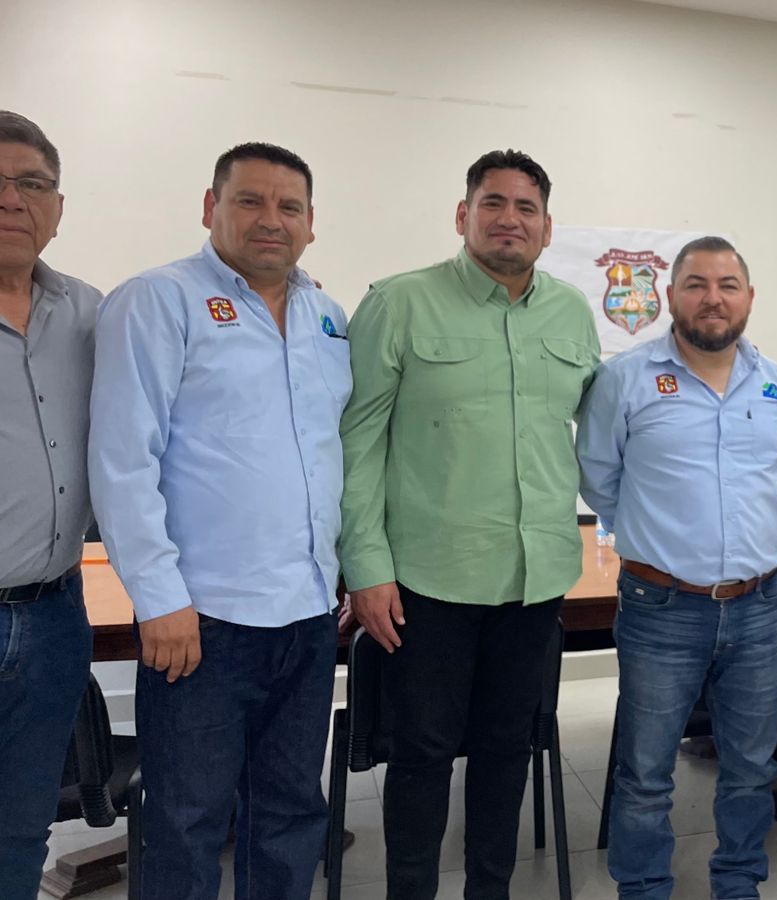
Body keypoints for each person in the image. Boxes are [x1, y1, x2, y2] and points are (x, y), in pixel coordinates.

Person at [88, 142, 348, 900]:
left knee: (291, 813)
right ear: (211, 208)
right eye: (250, 201)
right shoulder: (157, 300)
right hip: (202, 621)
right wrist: (159, 599)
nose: (271, 219)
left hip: (307, 614)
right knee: (186, 821)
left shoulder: (327, 317)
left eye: (289, 206)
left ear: (310, 223)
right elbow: (122, 461)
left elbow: (330, 451)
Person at [339, 149, 598, 899]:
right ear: (463, 215)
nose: (510, 219)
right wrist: (365, 567)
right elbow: (357, 443)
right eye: (494, 203)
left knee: (506, 752)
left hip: (535, 579)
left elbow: (596, 433)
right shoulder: (399, 303)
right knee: (421, 755)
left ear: (546, 227)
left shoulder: (571, 312)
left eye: (526, 208)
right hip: (428, 581)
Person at [576, 236, 777, 900]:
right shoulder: (626, 378)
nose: (713, 298)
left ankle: (738, 882)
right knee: (646, 772)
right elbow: (598, 476)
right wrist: (660, 534)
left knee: (752, 768)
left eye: (728, 285)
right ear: (670, 296)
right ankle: (644, 887)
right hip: (662, 608)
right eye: (697, 284)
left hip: (759, 607)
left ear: (749, 297)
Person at [0, 110, 102, 899]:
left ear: (57, 207)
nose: (12, 200)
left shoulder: (91, 313)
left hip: (56, 614)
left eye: (31, 184)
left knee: (23, 822)